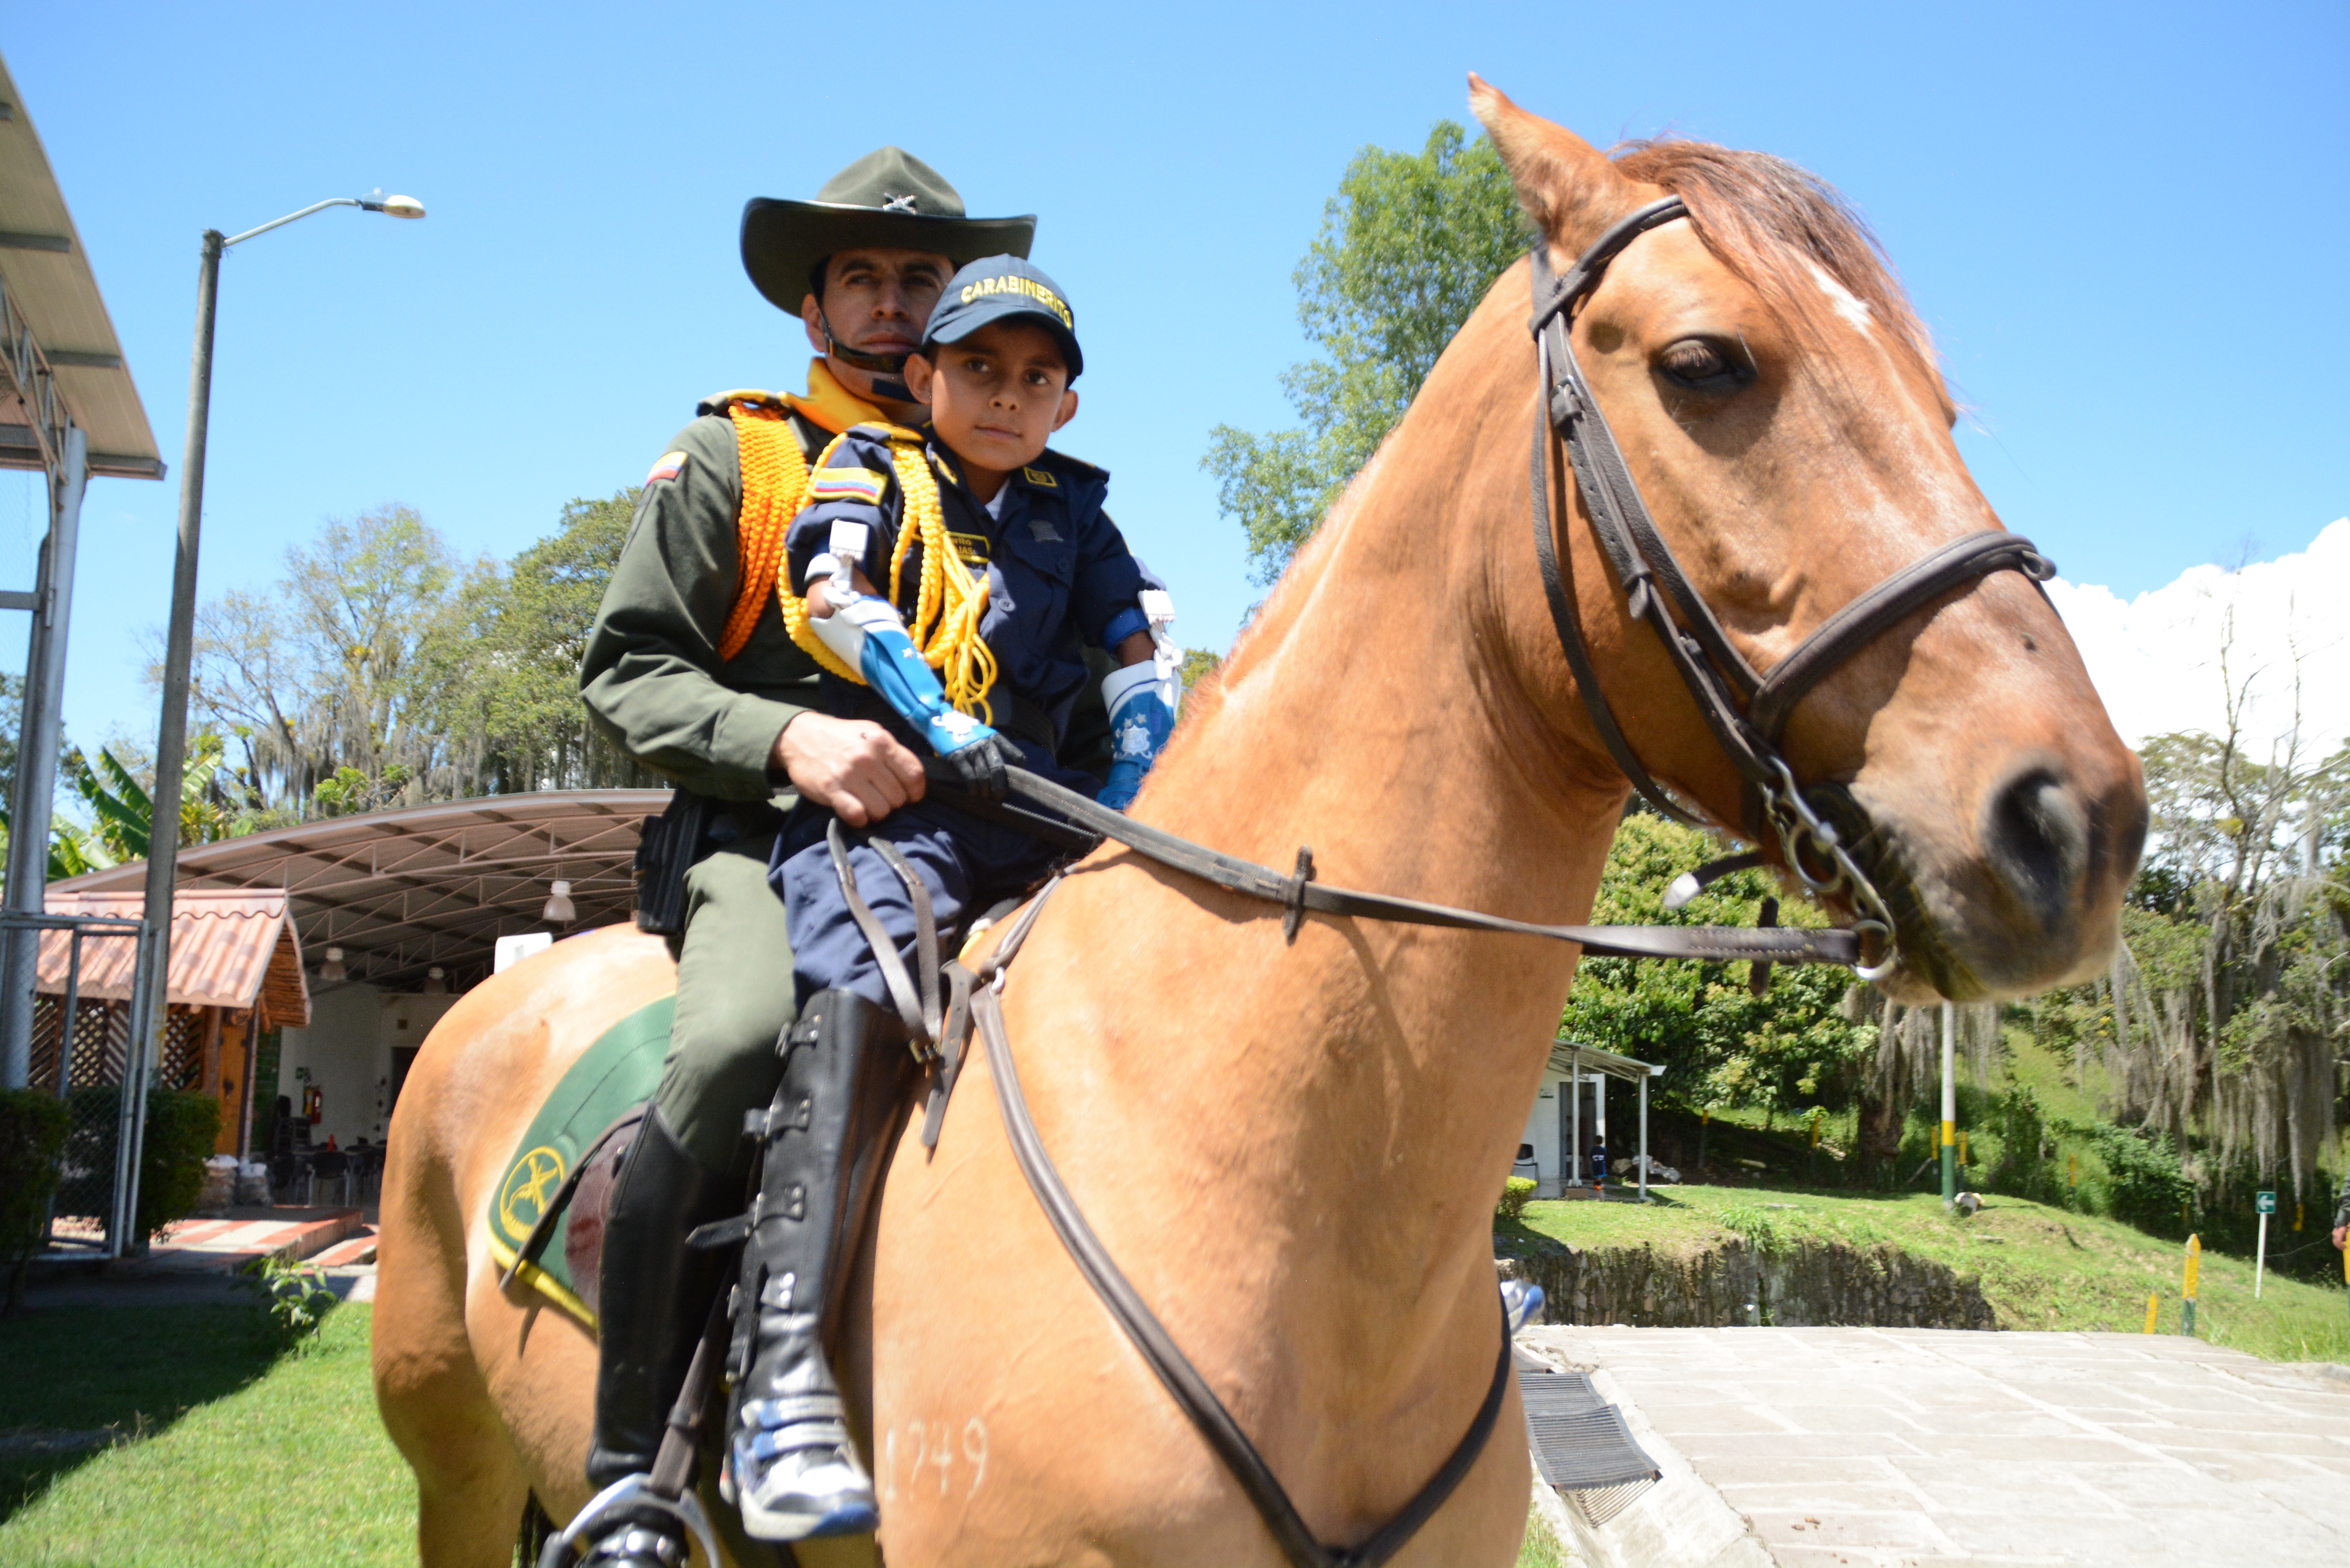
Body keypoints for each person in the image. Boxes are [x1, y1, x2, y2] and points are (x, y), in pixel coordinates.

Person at [575, 149, 1056, 1568]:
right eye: (863, 278)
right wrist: (790, 739)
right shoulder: (742, 455)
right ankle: (631, 1471)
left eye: (921, 278)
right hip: (761, 832)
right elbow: (624, 672)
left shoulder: (1015, 475)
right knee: (739, 1040)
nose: (894, 304)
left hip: (979, 836)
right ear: (813, 307)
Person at [725, 254, 1181, 1541]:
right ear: (924, 376)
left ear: (1065, 408)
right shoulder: (866, 465)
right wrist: (929, 712)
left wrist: (1136, 773)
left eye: (1036, 379)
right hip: (900, 804)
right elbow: (830, 591)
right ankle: (781, 1375)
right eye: (978, 368)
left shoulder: (1076, 510)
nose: (1006, 396)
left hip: (1042, 814)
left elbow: (1142, 644)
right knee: (864, 985)